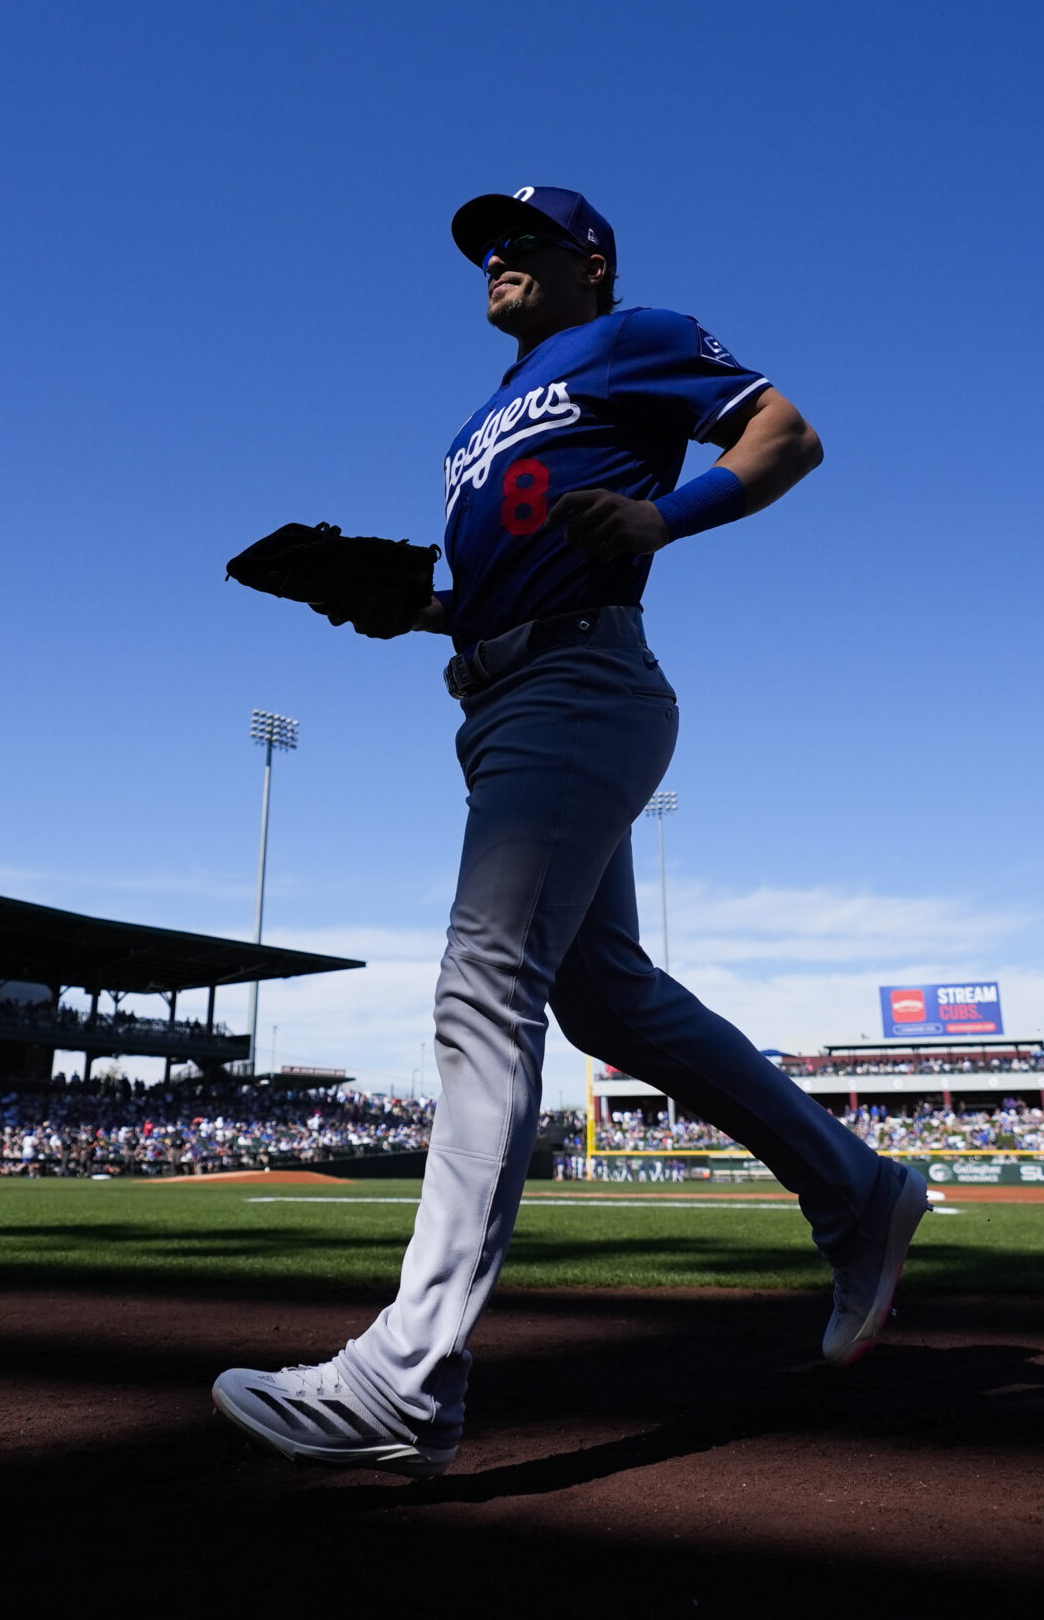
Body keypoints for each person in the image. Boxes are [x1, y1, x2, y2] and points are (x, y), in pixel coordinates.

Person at [213, 186, 927, 1478]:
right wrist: (408, 606)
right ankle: (859, 1191)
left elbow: (787, 433)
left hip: (580, 686)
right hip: (498, 702)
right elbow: (496, 578)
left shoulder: (629, 335)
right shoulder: (472, 427)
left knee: (484, 987)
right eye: (485, 245)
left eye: (523, 240)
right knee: (610, 1001)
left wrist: (672, 513)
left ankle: (407, 1375)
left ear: (588, 261)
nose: (496, 258)